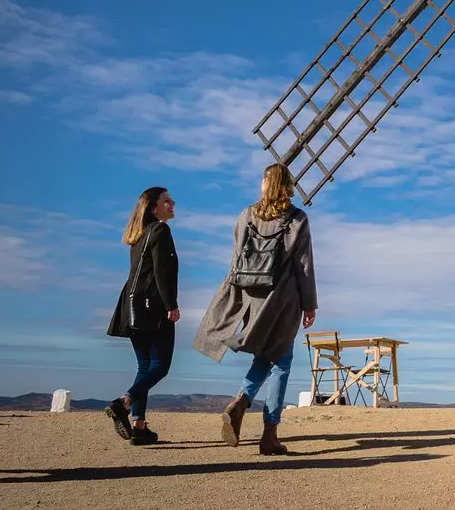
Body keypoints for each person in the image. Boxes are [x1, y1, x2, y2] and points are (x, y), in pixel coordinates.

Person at [194, 163, 317, 455]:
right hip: (283, 300)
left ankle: (240, 402)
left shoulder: (245, 216)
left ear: (265, 183)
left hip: (252, 297)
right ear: (288, 185)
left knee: (265, 355)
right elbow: (304, 267)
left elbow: (237, 260)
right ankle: (269, 433)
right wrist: (310, 304)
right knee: (282, 363)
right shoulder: (297, 219)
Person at [105, 187, 180, 446]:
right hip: (153, 305)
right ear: (152, 207)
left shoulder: (138, 235)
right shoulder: (160, 230)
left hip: (130, 305)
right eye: (166, 200)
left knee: (144, 366)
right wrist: (171, 305)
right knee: (160, 366)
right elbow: (161, 272)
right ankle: (124, 403)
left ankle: (139, 426)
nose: (172, 203)